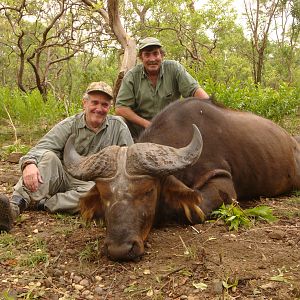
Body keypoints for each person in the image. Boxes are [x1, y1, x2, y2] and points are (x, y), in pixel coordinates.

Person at [0, 81, 133, 232]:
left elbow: (128, 160)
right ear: (84, 103)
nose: (99, 109)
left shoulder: (119, 127)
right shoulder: (70, 124)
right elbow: (42, 147)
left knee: (100, 193)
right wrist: (29, 164)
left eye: (104, 105)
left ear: (110, 107)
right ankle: (13, 208)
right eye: (94, 102)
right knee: (48, 157)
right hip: (64, 176)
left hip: (94, 183)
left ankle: (44, 203)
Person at [115, 37, 209, 140]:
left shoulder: (174, 68)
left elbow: (195, 91)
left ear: (162, 55)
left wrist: (210, 108)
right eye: (147, 55)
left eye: (155, 53)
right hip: (140, 129)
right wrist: (148, 125)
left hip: (171, 127)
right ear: (141, 58)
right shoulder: (132, 76)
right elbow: (121, 108)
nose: (152, 59)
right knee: (118, 121)